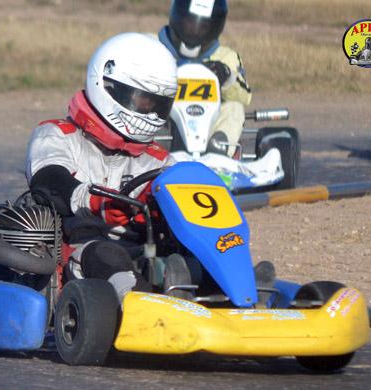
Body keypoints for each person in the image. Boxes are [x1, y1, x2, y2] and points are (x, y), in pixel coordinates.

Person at [24, 33, 179, 299]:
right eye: (144, 101)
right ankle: (140, 309)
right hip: (76, 253)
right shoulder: (58, 135)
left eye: (159, 105)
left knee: (188, 258)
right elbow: (48, 181)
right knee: (106, 254)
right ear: (106, 85)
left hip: (142, 254)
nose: (152, 113)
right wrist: (98, 202)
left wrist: (157, 211)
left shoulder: (159, 160)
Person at [158, 0, 252, 157]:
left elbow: (245, 97)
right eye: (189, 22)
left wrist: (227, 77)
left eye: (203, 26)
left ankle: (220, 150)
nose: (194, 30)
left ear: (215, 27)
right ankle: (153, 148)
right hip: (163, 121)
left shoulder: (225, 57)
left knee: (235, 106)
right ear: (177, 17)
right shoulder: (153, 46)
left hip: (207, 125)